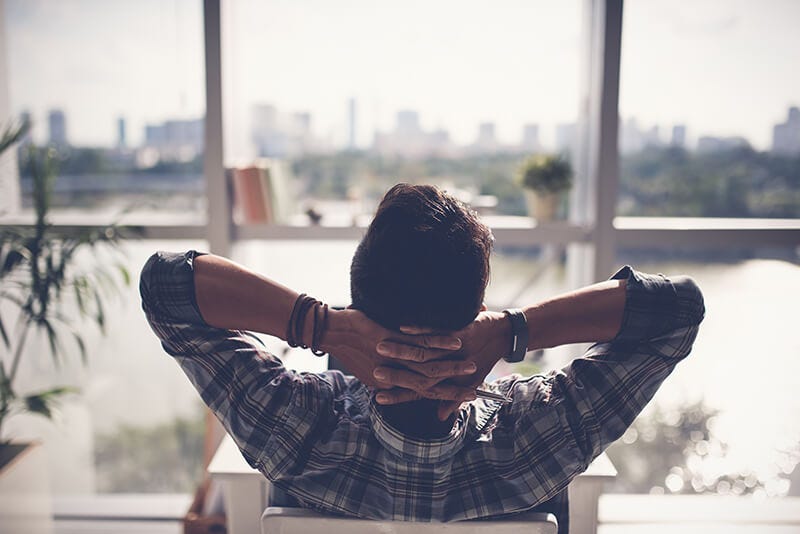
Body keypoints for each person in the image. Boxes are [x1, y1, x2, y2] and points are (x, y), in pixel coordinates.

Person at [140, 183, 704, 533]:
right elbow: (677, 310)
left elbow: (166, 285)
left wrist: (322, 327)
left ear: (358, 305)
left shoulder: (293, 427)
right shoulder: (539, 437)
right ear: (476, 312)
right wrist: (513, 332)